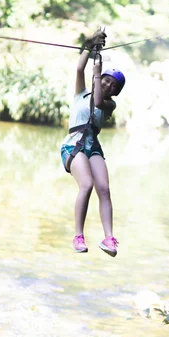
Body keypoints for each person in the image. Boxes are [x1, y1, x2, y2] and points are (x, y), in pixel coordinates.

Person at [60, 29, 125, 257]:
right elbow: (79, 69)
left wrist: (97, 73)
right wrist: (90, 46)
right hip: (73, 145)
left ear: (115, 93)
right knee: (86, 185)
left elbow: (99, 101)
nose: (107, 86)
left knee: (104, 189)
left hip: (92, 146)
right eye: (106, 81)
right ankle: (78, 235)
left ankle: (109, 238)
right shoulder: (81, 94)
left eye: (112, 86)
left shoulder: (109, 106)